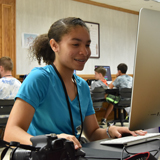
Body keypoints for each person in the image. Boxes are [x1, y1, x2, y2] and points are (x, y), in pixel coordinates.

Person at [3, 17, 146, 149]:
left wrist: (110, 131)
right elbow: (11, 133)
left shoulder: (82, 86)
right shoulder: (39, 79)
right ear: (54, 45)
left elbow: (92, 133)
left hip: (71, 153)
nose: (84, 51)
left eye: (87, 45)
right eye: (76, 44)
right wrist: (53, 141)